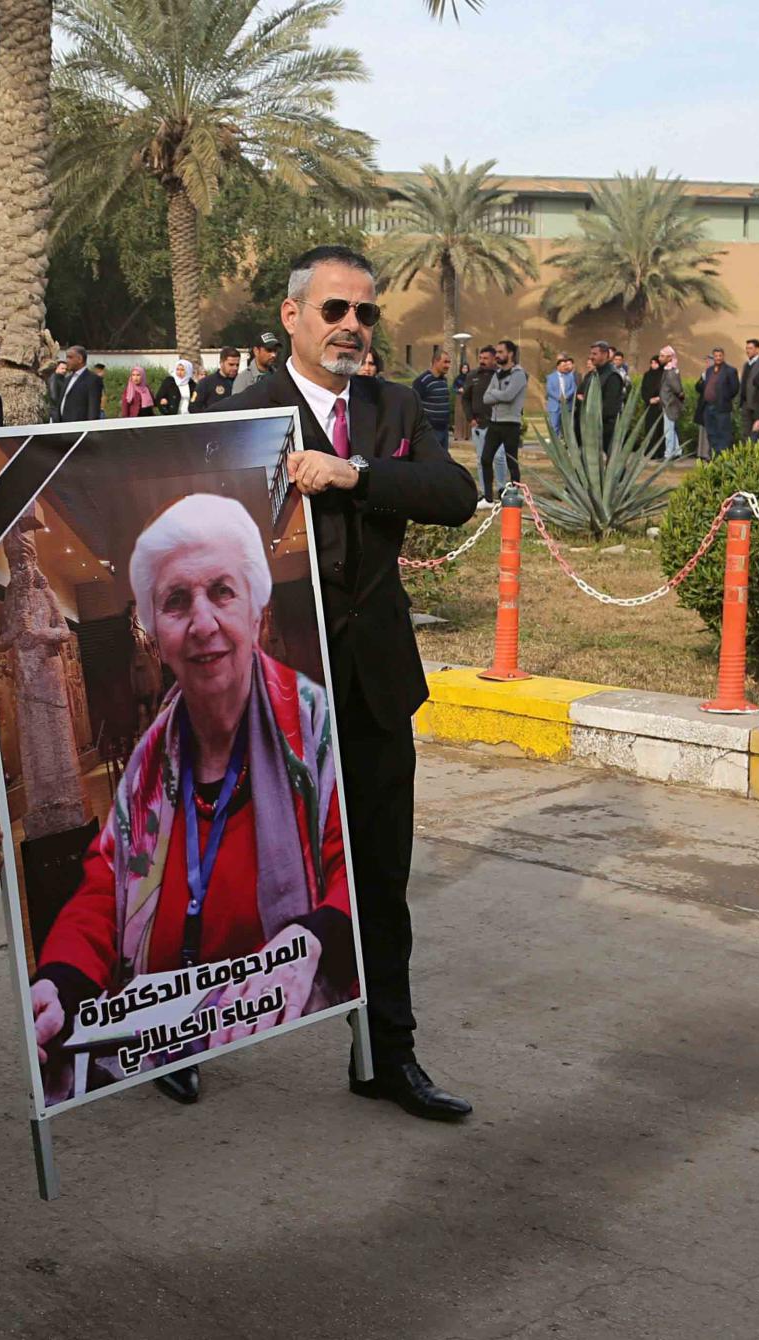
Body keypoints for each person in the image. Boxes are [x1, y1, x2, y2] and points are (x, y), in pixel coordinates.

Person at [215, 244, 480, 1120]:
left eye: (365, 314)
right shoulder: (240, 412)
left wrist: (355, 473)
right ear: (292, 316)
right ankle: (178, 1044)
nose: (352, 329)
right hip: (268, 687)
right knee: (231, 876)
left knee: (379, 881)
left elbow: (451, 491)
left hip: (371, 684)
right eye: (335, 310)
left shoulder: (394, 405)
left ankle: (385, 1056)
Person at [29, 494, 355, 1104]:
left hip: (285, 1014)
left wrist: (316, 937)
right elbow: (107, 885)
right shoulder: (147, 767)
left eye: (222, 592)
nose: (202, 622)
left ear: (257, 612)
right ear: (155, 635)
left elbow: (351, 865)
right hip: (165, 1017)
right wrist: (63, 978)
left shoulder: (314, 727)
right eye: (177, 602)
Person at [480, 339, 527, 497]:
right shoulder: (497, 375)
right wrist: (497, 395)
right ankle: (488, 497)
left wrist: (495, 394)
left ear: (510, 354)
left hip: (510, 424)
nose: (497, 355)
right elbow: (485, 398)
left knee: (511, 461)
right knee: (485, 459)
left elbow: (509, 396)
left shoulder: (519, 375)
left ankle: (514, 494)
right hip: (495, 423)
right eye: (497, 352)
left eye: (501, 352)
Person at [462, 344, 499, 503]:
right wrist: (471, 418)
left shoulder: (501, 375)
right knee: (481, 459)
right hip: (480, 425)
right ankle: (485, 492)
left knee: (500, 458)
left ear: (494, 359)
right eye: (480, 358)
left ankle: (502, 488)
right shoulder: (472, 376)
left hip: (498, 424)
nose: (482, 361)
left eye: (486, 358)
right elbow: (465, 399)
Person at [574, 340, 626, 453]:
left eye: (594, 354)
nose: (591, 357)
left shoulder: (612, 376)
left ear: (605, 354)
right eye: (591, 353)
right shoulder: (594, 374)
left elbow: (610, 407)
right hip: (590, 427)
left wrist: (592, 414)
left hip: (605, 430)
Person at [411, 348, 454, 452]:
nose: (448, 365)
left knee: (443, 463)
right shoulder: (422, 381)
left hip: (444, 430)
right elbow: (413, 406)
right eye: (445, 362)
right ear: (435, 362)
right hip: (430, 431)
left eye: (449, 362)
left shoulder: (443, 380)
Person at [52, 345, 102, 423]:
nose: (67, 360)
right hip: (62, 428)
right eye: (66, 357)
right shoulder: (67, 379)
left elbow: (93, 410)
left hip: (78, 429)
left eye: (70, 357)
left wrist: (90, 430)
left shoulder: (92, 380)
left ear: (80, 359)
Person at [658, 346, 686, 461]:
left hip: (670, 404)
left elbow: (678, 390)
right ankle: (677, 451)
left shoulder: (671, 372)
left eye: (662, 356)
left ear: (670, 357)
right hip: (668, 403)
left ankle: (668, 454)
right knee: (671, 429)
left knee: (668, 430)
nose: (660, 358)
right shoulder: (669, 370)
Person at [193, 346, 241, 410]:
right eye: (231, 364)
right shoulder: (206, 383)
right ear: (221, 363)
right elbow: (193, 407)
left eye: (237, 365)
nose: (235, 368)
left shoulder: (242, 381)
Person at [544, 354, 576, 439]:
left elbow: (573, 388)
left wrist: (565, 397)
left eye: (565, 366)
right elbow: (549, 390)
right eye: (563, 366)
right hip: (554, 406)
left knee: (567, 428)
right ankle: (555, 444)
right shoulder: (550, 377)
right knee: (554, 427)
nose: (565, 368)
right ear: (558, 367)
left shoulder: (570, 376)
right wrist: (558, 397)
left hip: (566, 406)